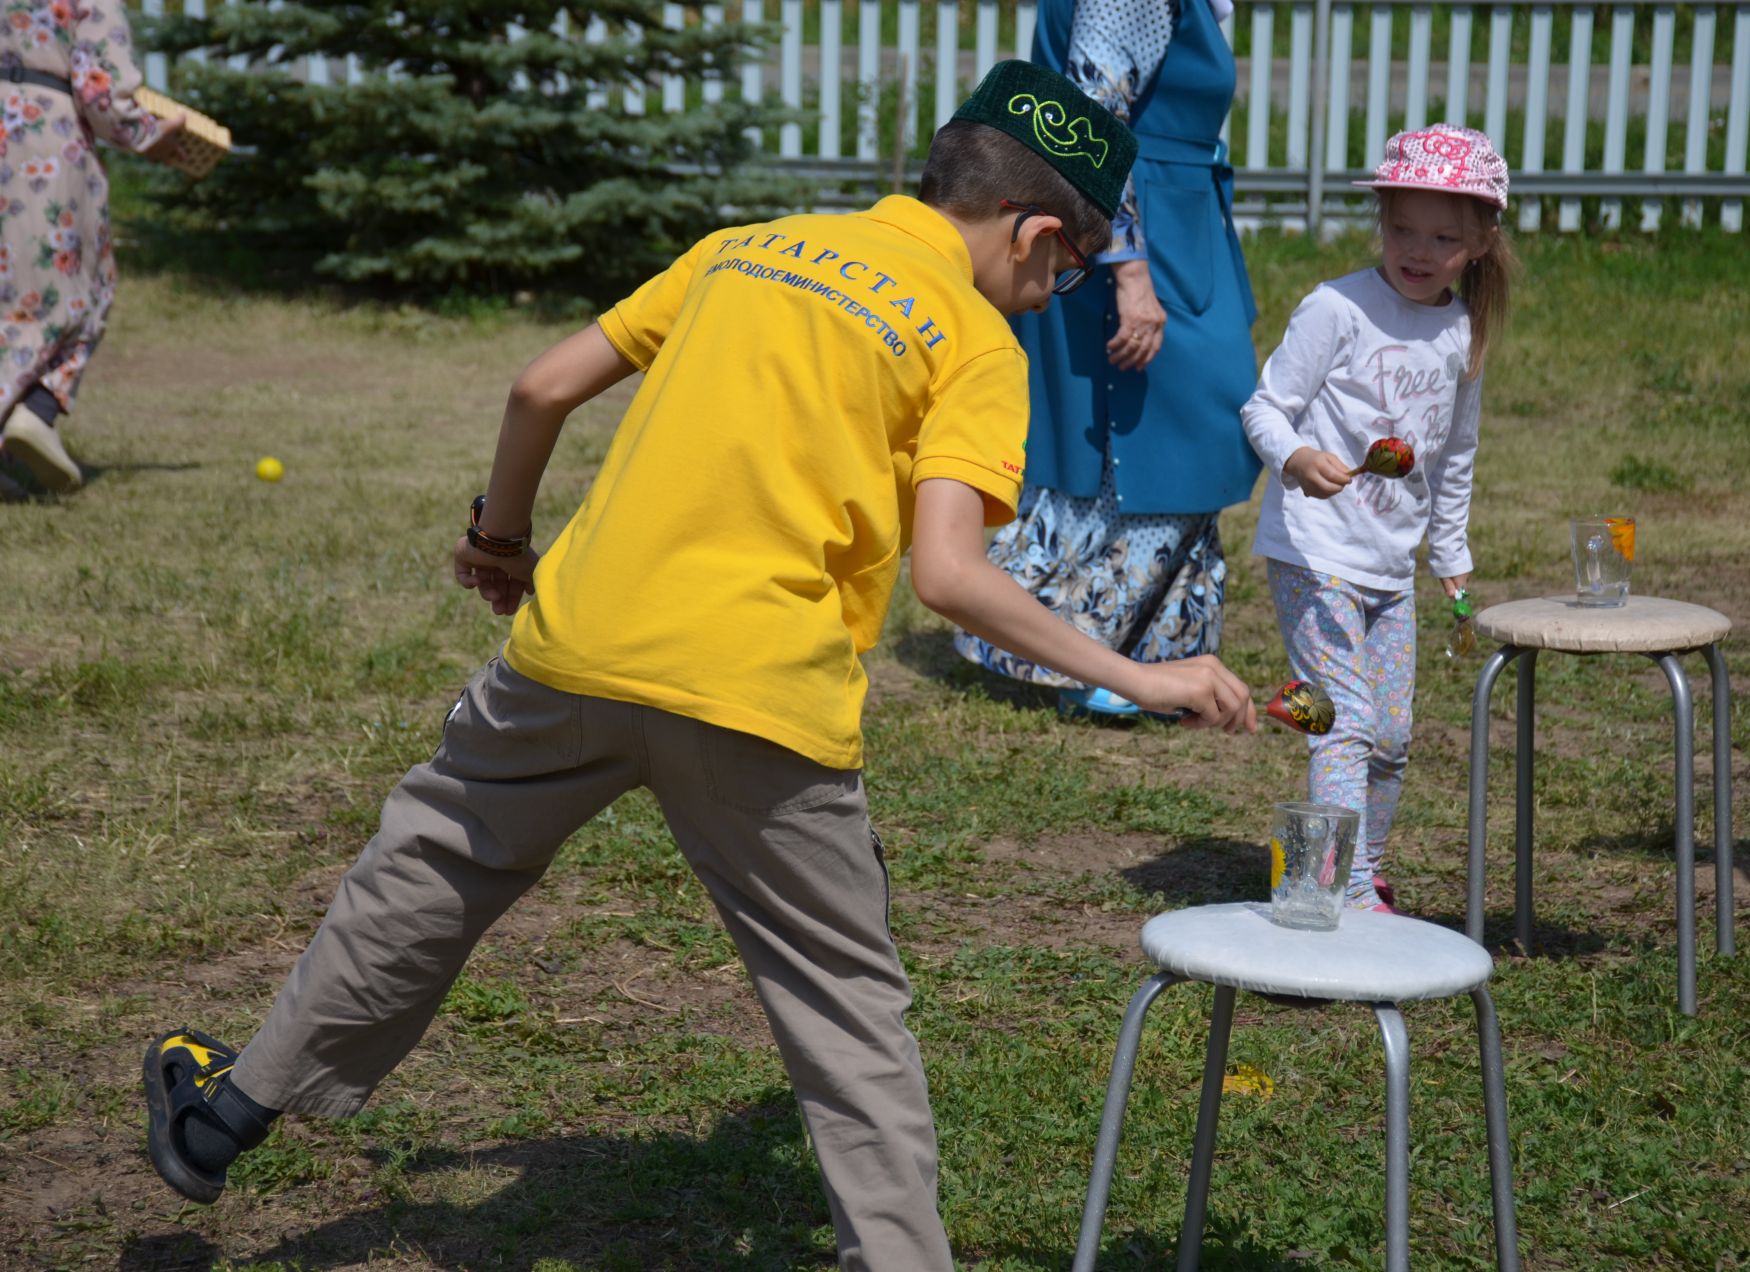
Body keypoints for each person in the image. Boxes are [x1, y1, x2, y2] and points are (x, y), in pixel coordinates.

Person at [138, 62, 1256, 1271]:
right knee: (843, 1002)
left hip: (576, 650)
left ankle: (226, 1118)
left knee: (428, 869)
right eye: (1066, 270)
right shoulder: (974, 345)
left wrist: (501, 542)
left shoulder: (743, 248)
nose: (1052, 297)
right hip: (760, 697)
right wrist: (1145, 676)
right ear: (1037, 231)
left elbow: (540, 386)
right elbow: (950, 573)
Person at [953, 0, 1262, 717]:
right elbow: (1092, 114)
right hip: (1139, 224)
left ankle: (1144, 652)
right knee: (1185, 420)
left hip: (1177, 216)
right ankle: (1080, 649)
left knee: (1182, 429)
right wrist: (1126, 267)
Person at [1241, 123, 1516, 913]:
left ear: (1481, 242)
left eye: (1442, 236)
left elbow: (1454, 454)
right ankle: (1339, 892)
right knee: (1343, 722)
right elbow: (1265, 408)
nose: (1417, 250)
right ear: (1381, 221)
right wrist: (1295, 458)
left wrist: (1450, 552)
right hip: (1314, 550)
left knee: (1392, 739)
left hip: (1389, 568)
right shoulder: (1335, 309)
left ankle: (1345, 871)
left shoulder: (1461, 329)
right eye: (1401, 228)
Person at [1, 0, 183, 493]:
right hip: (43, 142)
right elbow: (101, 88)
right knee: (74, 294)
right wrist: (149, 135)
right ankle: (36, 411)